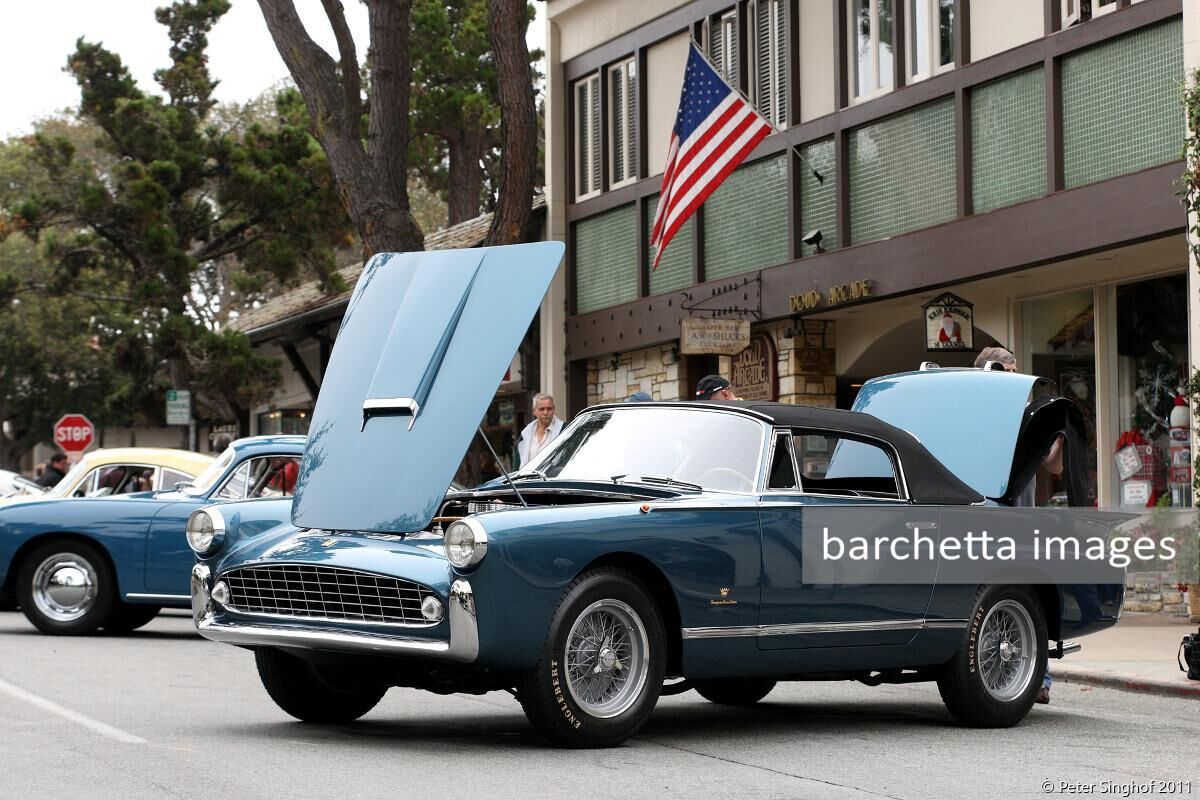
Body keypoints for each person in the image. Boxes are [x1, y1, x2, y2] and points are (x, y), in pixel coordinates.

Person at [975, 346, 1063, 704]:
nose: (1014, 379)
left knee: (1027, 598)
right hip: (983, 519)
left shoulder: (1026, 419)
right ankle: (994, 673)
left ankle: (1038, 679)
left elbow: (1054, 467)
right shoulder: (974, 418)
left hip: (1022, 524)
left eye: (1015, 372)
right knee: (988, 598)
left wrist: (1059, 437)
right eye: (1005, 371)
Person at [517, 393, 563, 467]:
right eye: (542, 409)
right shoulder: (526, 433)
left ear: (554, 410)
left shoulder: (564, 430)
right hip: (529, 477)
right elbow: (517, 464)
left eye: (549, 409)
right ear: (534, 411)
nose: (546, 412)